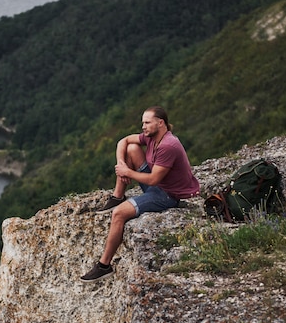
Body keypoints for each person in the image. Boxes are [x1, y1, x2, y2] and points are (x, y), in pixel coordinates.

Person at [80, 106, 200, 283]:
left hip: (167, 195)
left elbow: (152, 179)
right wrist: (122, 164)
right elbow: (123, 141)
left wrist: (126, 172)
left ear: (160, 123)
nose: (143, 126)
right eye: (142, 122)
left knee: (118, 214)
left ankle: (104, 266)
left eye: (147, 122)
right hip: (158, 186)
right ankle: (117, 196)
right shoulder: (152, 137)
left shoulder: (168, 145)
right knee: (132, 149)